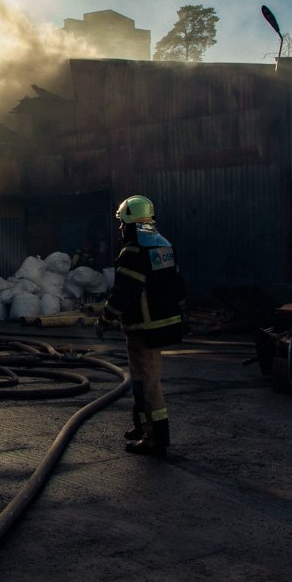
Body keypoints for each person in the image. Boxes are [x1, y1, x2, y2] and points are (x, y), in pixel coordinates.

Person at [97, 195, 185, 456]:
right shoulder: (164, 247)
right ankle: (142, 425)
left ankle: (155, 438)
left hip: (143, 329)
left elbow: (124, 294)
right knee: (140, 380)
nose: (121, 230)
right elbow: (179, 286)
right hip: (163, 324)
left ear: (131, 224)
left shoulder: (133, 253)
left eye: (123, 224)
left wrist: (104, 321)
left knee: (147, 382)